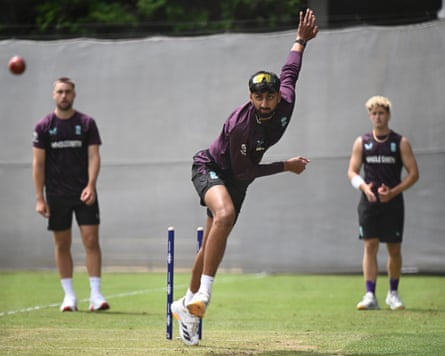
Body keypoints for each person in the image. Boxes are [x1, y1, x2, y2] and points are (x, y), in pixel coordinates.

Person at [171, 9, 318, 345]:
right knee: (225, 213)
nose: (265, 102)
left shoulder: (286, 102)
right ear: (250, 97)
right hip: (211, 166)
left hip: (238, 179)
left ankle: (185, 308)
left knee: (209, 246)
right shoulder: (241, 126)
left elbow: (290, 71)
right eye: (259, 97)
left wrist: (300, 41)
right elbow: (245, 171)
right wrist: (286, 165)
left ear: (277, 95)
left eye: (270, 96)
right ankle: (204, 296)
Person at [32, 77, 110, 312]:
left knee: (90, 240)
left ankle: (96, 296)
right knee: (62, 243)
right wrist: (39, 197)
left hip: (83, 193)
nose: (63, 95)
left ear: (74, 95)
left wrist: (91, 184)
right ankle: (69, 297)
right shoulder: (44, 126)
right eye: (59, 92)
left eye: (67, 91)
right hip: (56, 194)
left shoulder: (86, 123)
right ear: (53, 95)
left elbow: (94, 156)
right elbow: (38, 164)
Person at [347, 95, 419, 311]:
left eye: (381, 113)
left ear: (388, 115)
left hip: (393, 204)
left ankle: (393, 294)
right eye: (374, 113)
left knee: (394, 249)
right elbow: (352, 171)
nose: (378, 117)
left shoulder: (400, 142)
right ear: (370, 116)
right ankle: (370, 295)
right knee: (370, 246)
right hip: (369, 203)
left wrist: (393, 192)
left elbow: (413, 173)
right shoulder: (363, 142)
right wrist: (364, 187)